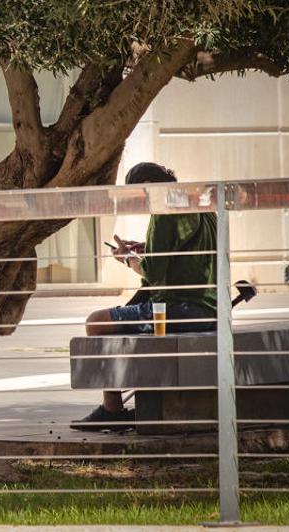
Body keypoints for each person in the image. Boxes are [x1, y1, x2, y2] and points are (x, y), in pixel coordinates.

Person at [73, 162, 217, 431]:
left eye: (140, 196)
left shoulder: (164, 209)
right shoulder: (203, 208)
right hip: (209, 309)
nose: (142, 205)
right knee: (113, 324)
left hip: (179, 308)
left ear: (150, 186)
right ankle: (114, 407)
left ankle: (112, 409)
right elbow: (185, 255)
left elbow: (154, 273)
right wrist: (146, 248)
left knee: (96, 323)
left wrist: (128, 259)